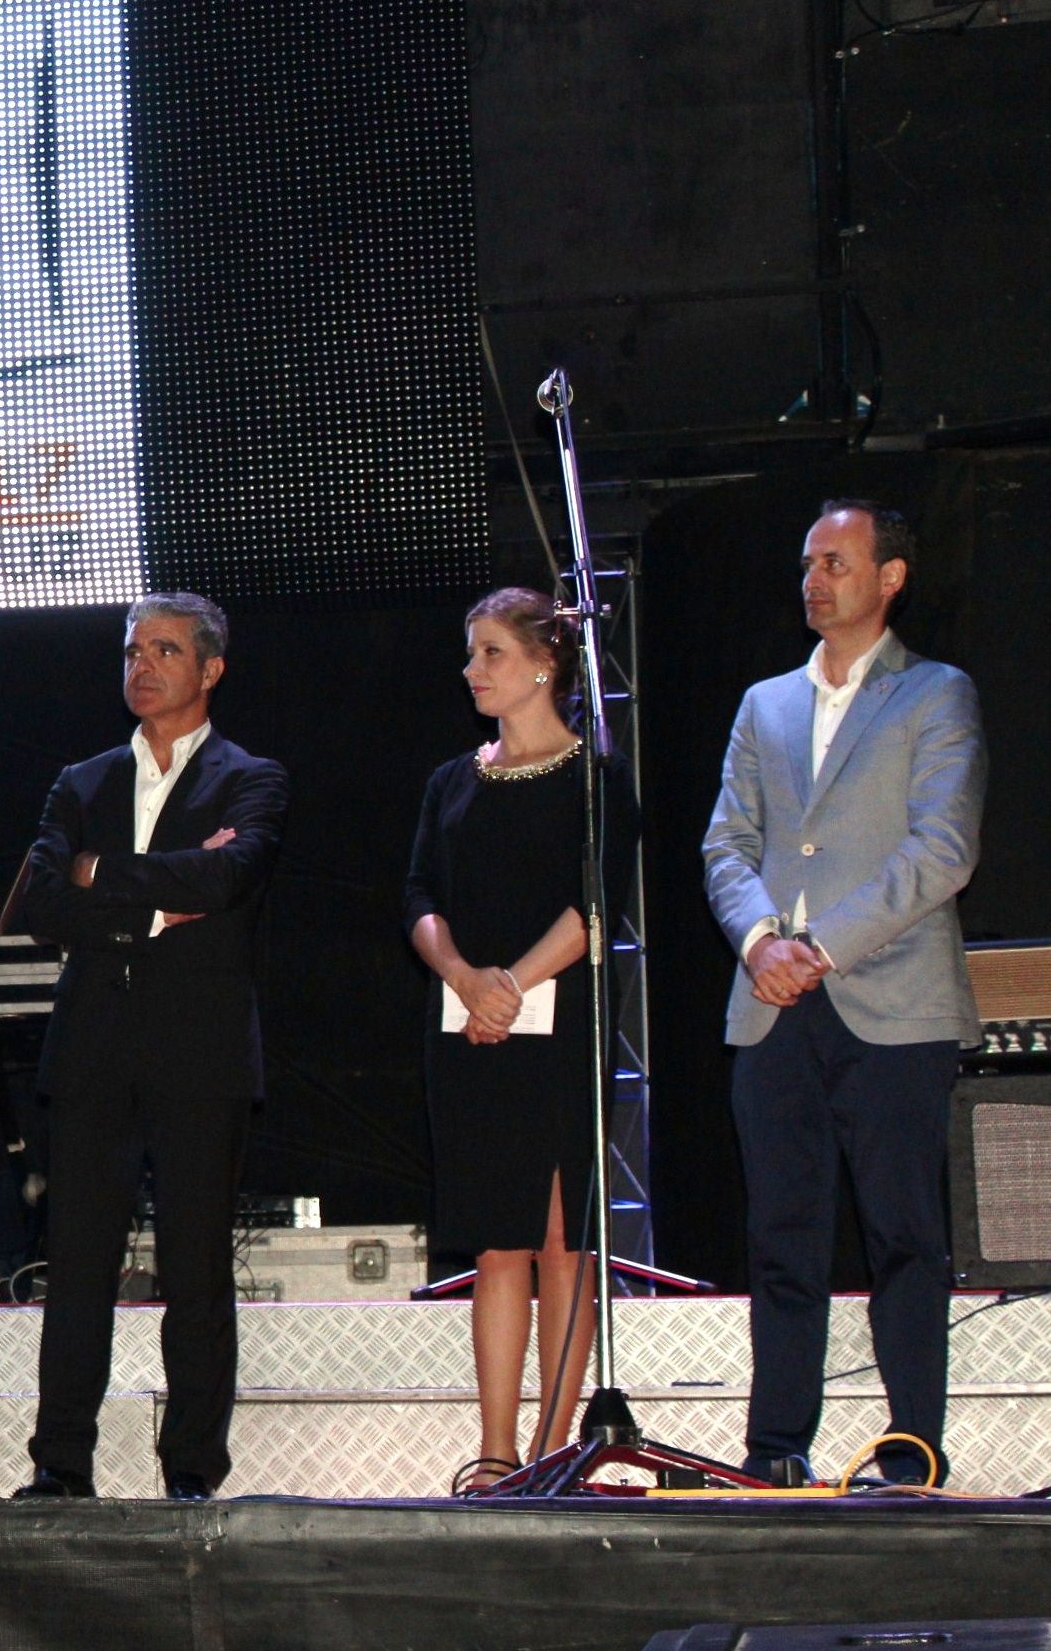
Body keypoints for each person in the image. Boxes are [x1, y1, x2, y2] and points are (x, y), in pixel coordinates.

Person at [702, 498, 985, 1486]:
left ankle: (910, 1452)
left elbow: (941, 849)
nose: (812, 580)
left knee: (904, 1236)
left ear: (889, 578)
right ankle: (775, 1450)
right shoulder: (763, 703)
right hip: (772, 1006)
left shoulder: (935, 693)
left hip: (892, 1003)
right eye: (806, 564)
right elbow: (725, 844)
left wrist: (815, 946)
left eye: (834, 562)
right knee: (780, 1237)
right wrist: (758, 942)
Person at [10, 593, 289, 1501]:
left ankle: (193, 1470)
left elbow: (228, 875)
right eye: (133, 650)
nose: (143, 666)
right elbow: (43, 900)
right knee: (78, 1265)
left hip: (200, 1053)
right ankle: (60, 1463)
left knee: (197, 1266)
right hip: (92, 1048)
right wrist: (157, 913)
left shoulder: (252, 778)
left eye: (165, 650)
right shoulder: (81, 781)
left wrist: (103, 874)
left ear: (210, 669)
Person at [405, 586, 631, 1488]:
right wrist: (466, 979)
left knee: (557, 1238)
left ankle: (552, 1451)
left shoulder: (594, 779)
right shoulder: (451, 780)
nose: (472, 669)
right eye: (471, 653)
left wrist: (514, 983)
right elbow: (419, 897)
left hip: (555, 1024)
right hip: (467, 1027)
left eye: (490, 652)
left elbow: (593, 902)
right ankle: (496, 1454)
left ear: (545, 663)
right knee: (495, 1241)